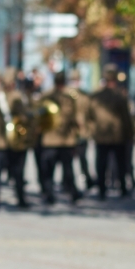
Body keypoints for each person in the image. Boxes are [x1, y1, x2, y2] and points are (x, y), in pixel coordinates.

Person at [0, 67, 30, 211]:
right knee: (17, 173)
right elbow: (24, 117)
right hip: (13, 142)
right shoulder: (17, 96)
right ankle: (21, 199)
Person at [88, 63, 134, 199]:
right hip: (117, 135)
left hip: (102, 135)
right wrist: (130, 133)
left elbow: (89, 116)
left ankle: (102, 189)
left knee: (102, 163)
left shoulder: (96, 95)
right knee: (120, 163)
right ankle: (123, 189)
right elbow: (126, 117)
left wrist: (93, 130)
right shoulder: (120, 95)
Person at [38, 71, 81, 205]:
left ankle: (49, 194)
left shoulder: (46, 96)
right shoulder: (70, 97)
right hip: (65, 140)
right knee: (67, 170)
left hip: (51, 140)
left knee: (50, 171)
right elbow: (75, 118)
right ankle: (72, 193)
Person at [68, 69, 95, 190]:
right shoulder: (83, 95)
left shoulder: (78, 95)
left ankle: (71, 182)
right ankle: (85, 179)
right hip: (79, 130)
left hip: (73, 131)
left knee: (72, 159)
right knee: (81, 158)